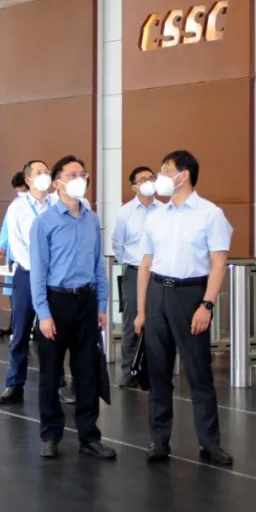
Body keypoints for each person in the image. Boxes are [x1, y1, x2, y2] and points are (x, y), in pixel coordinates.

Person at [135, 150, 233, 466]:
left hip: (190, 295)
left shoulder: (210, 214)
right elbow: (145, 264)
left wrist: (207, 304)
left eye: (166, 169)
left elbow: (219, 264)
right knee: (158, 371)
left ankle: (210, 443)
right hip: (157, 293)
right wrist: (141, 310)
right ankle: (159, 440)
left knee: (198, 371)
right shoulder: (156, 215)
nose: (160, 176)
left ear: (184, 174)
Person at [29, 155, 115, 461]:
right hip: (57, 301)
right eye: (72, 174)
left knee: (87, 372)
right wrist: (44, 314)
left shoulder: (92, 220)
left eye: (83, 174)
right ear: (57, 183)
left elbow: (98, 265)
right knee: (51, 372)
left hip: (86, 301)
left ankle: (89, 436)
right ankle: (50, 434)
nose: (80, 179)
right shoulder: (44, 222)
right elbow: (38, 272)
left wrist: (102, 305)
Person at [0, 160, 54, 405]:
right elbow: (17, 245)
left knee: (51, 333)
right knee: (20, 330)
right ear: (28, 180)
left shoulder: (56, 204)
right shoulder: (17, 207)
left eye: (47, 172)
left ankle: (56, 383)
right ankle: (14, 384)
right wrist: (37, 269)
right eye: (39, 172)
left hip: (54, 276)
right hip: (27, 274)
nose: (45, 175)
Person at [112, 165, 162, 388]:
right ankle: (129, 370)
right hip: (133, 271)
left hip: (159, 273)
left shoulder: (164, 209)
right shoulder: (125, 212)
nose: (149, 182)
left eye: (151, 178)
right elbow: (118, 243)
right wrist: (130, 264)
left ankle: (154, 371)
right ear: (134, 187)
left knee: (158, 322)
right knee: (133, 321)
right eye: (143, 180)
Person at [0, 171, 28, 337]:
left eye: (23, 190)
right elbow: (6, 226)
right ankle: (14, 325)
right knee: (13, 290)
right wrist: (2, 245)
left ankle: (29, 327)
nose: (20, 193)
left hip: (31, 256)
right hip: (14, 256)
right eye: (18, 191)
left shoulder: (41, 204)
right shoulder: (15, 204)